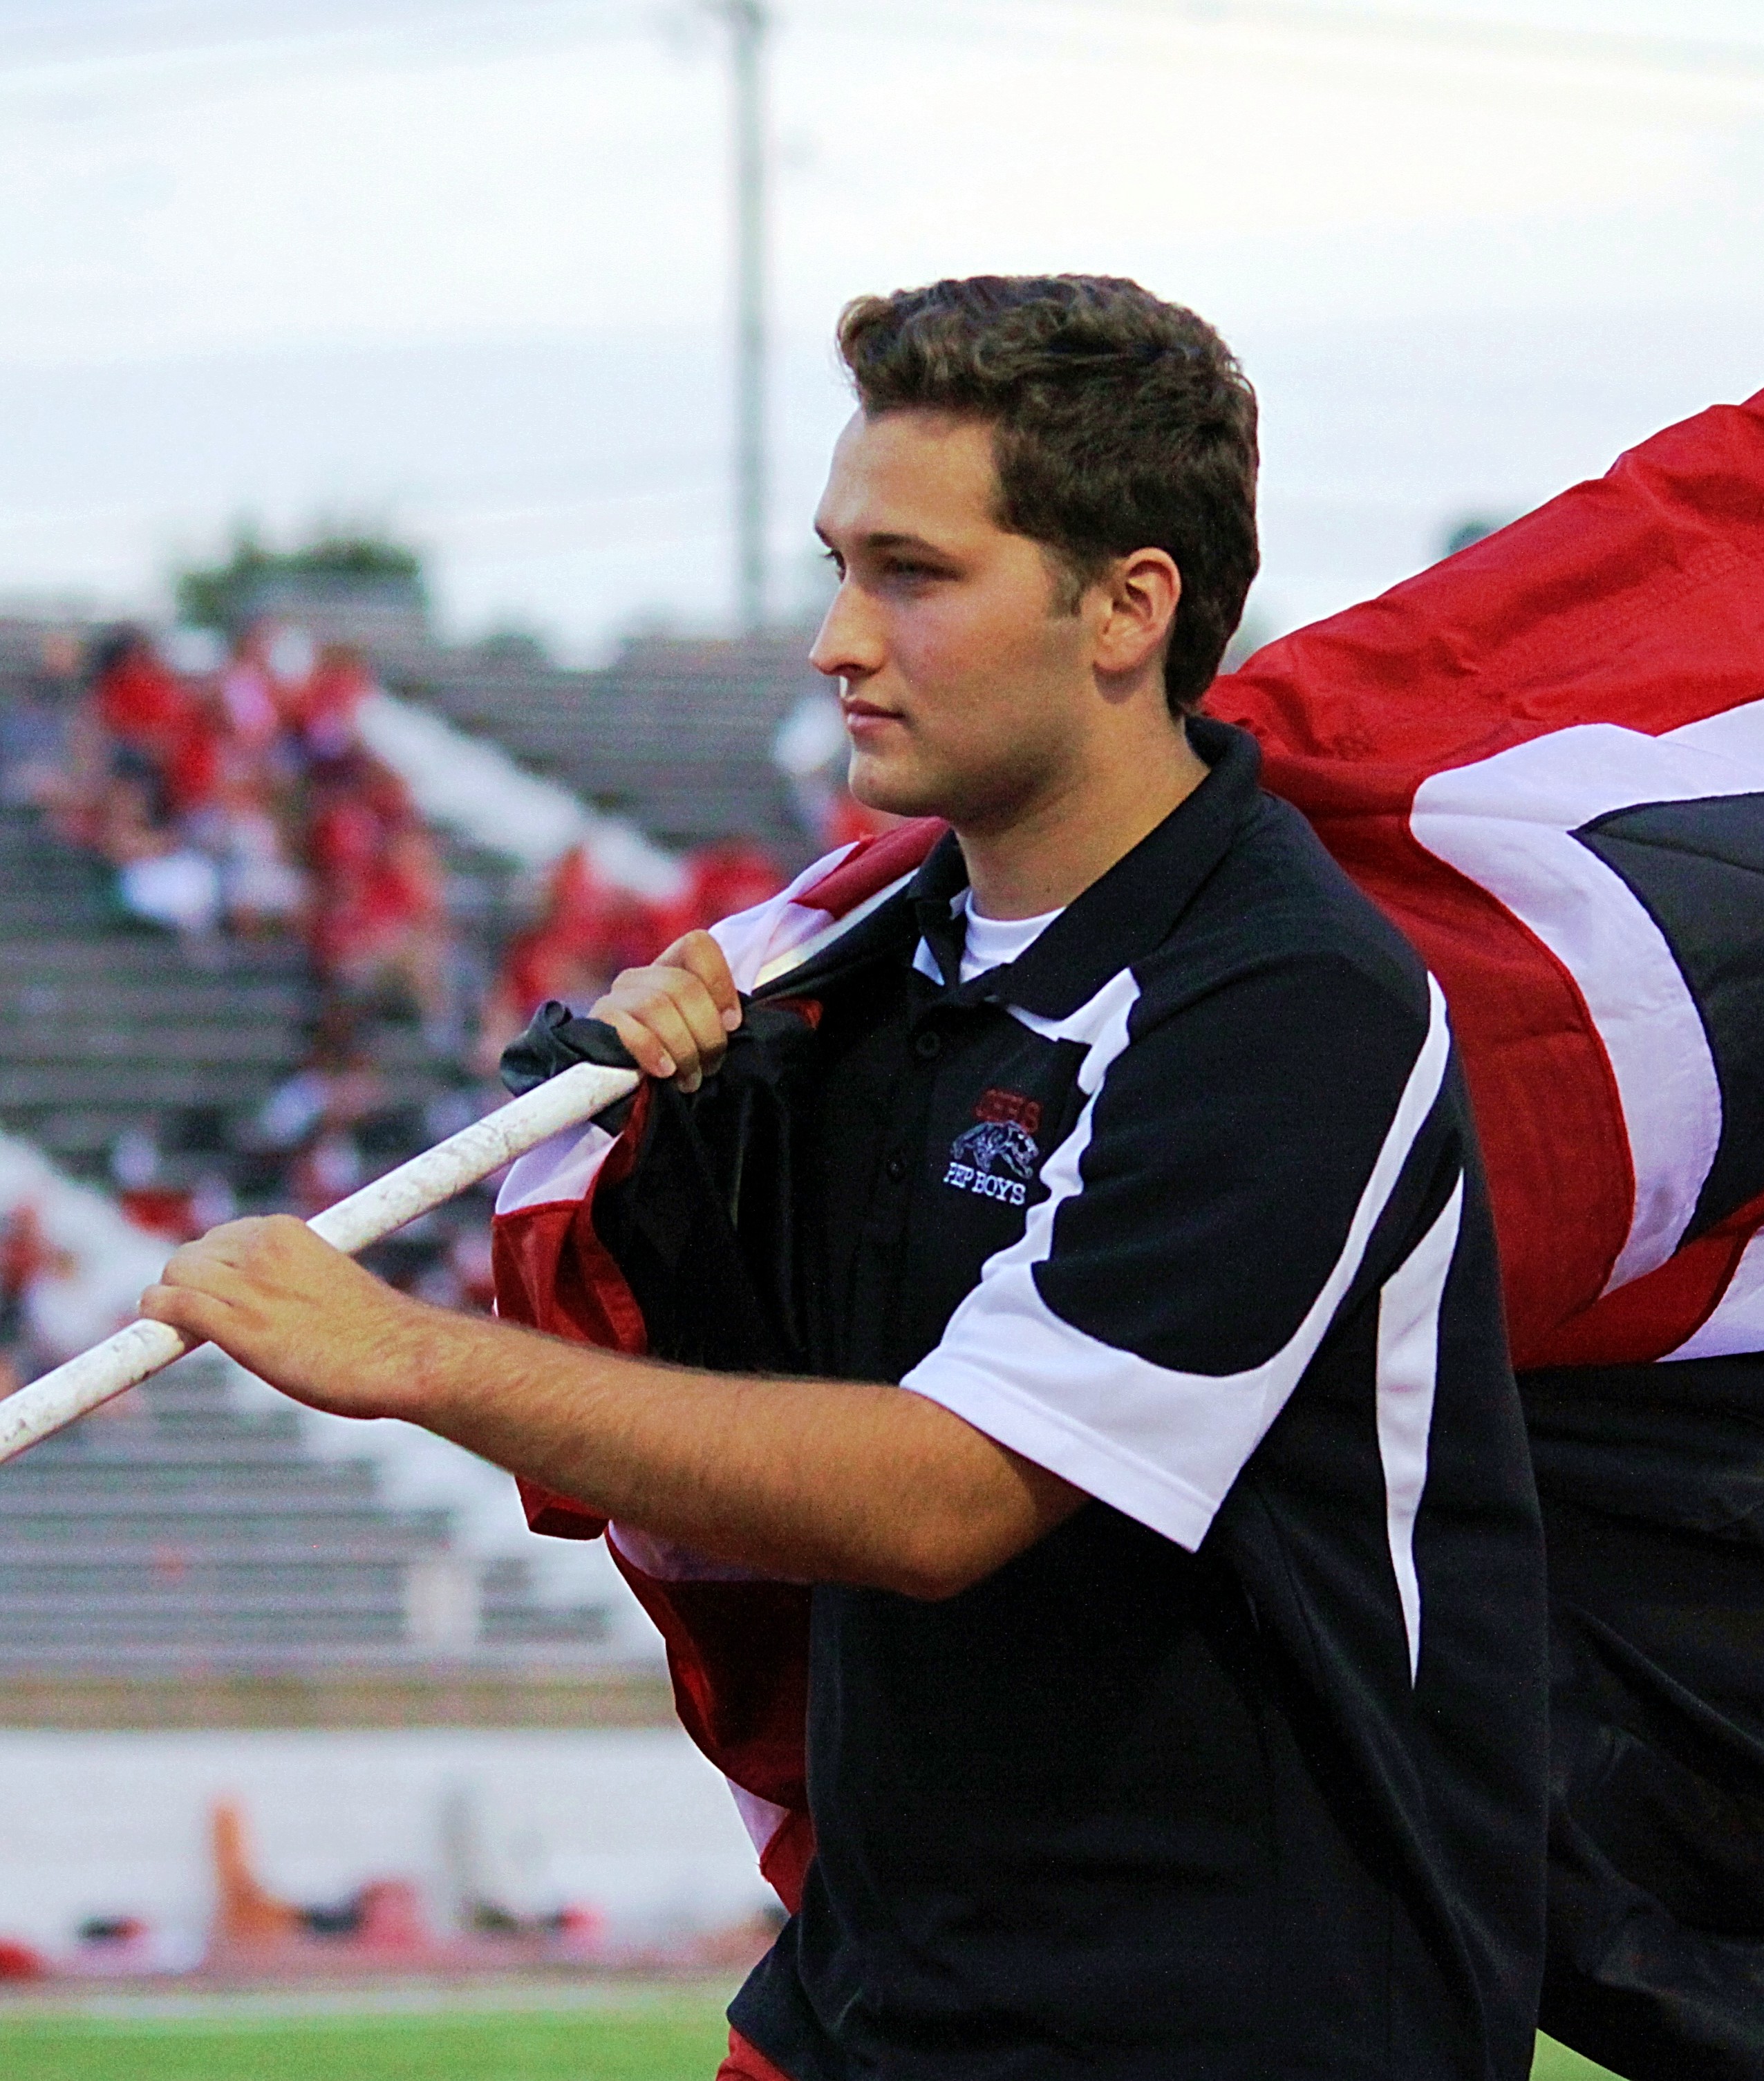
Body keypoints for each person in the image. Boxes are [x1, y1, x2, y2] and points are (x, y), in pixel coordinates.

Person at [140, 274, 1551, 2080]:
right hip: (886, 1992)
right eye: (837, 565)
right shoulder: (864, 977)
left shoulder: (1282, 1000)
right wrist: (666, 1129)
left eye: (912, 574)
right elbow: (732, 1379)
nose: (835, 638)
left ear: (1129, 608)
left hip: (1237, 2018)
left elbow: (941, 1499)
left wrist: (412, 1357)